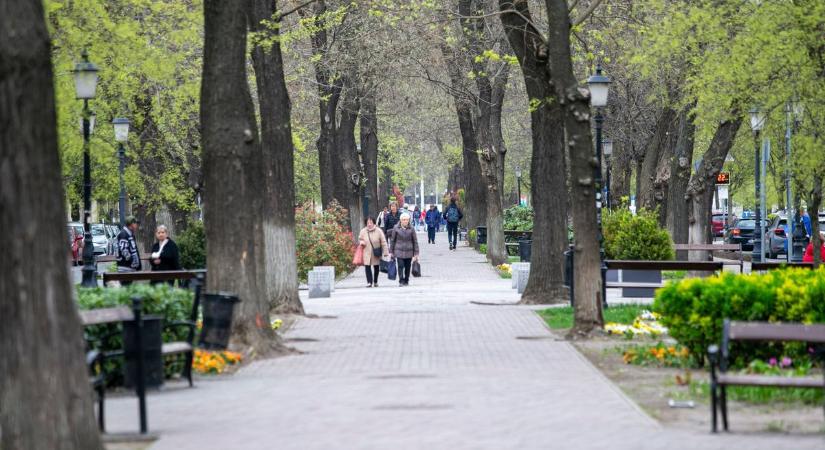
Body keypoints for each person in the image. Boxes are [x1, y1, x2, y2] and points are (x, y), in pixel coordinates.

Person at [390, 213, 419, 287]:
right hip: (399, 250)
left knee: (407, 266)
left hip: (409, 251)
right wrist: (391, 252)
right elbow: (392, 240)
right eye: (403, 220)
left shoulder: (411, 228)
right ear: (401, 220)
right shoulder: (396, 228)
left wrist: (416, 253)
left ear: (409, 220)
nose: (405, 221)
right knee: (400, 265)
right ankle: (401, 280)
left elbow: (415, 241)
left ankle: (406, 279)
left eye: (406, 220)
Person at [358, 217, 389, 287]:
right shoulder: (363, 231)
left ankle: (375, 281)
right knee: (367, 267)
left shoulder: (378, 231)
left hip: (376, 252)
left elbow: (383, 241)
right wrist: (361, 242)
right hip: (366, 252)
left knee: (376, 267)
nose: (369, 224)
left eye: (371, 222)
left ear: (374, 223)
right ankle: (369, 282)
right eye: (368, 223)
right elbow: (360, 239)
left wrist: (386, 252)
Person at [116, 216, 142, 284]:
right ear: (131, 224)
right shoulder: (124, 234)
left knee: (129, 288)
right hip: (125, 268)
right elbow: (124, 250)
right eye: (136, 223)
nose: (137, 225)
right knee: (126, 288)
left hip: (130, 268)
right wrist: (132, 261)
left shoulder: (130, 234)